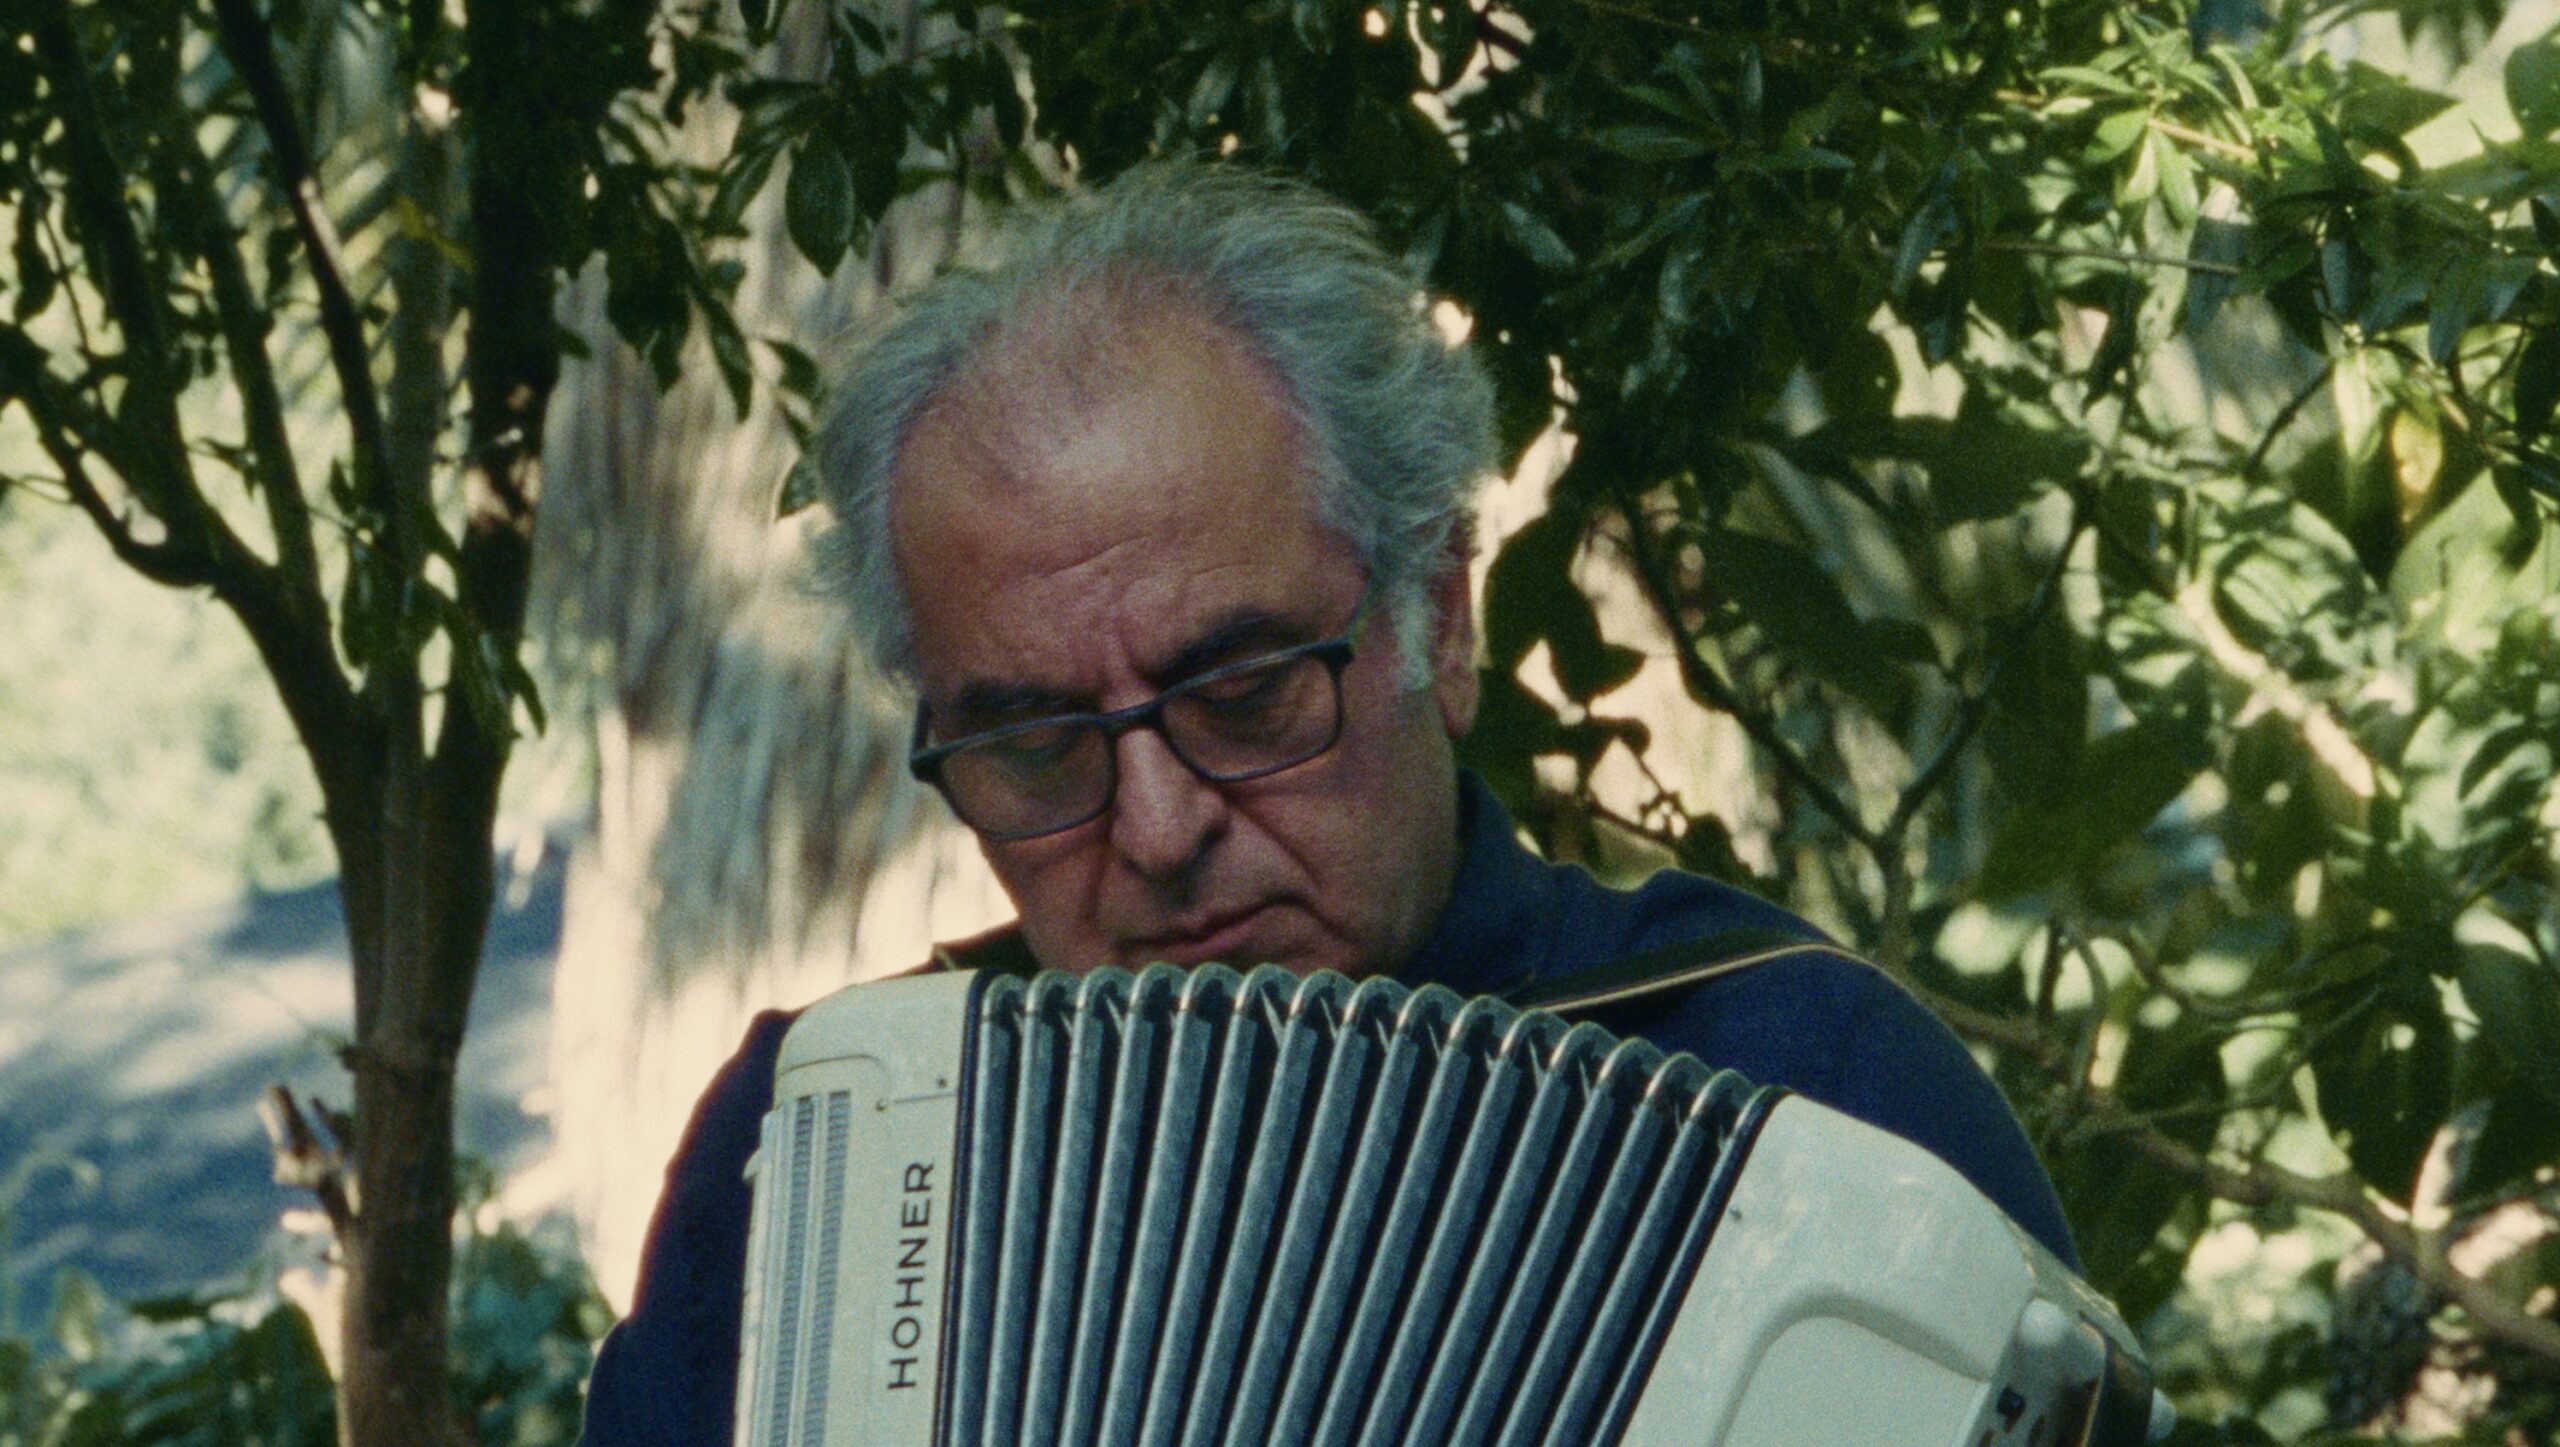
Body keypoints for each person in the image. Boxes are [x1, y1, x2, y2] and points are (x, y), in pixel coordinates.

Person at [574, 162, 2076, 1444]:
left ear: (1444, 619)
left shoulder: (1814, 1089)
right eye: (1034, 746)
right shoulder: (819, 1156)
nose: (1157, 835)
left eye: (1244, 695)